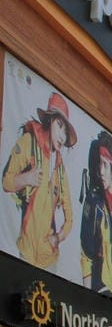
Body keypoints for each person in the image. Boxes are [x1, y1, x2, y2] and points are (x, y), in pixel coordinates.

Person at [2, 92, 75, 268]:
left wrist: (58, 237)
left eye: (65, 131)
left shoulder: (60, 169)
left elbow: (70, 218)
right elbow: (6, 182)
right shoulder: (28, 143)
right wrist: (26, 178)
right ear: (50, 121)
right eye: (60, 126)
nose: (62, 136)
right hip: (25, 254)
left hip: (49, 260)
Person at [78, 130, 112, 296]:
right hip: (99, 288)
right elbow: (86, 255)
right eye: (99, 164)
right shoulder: (94, 202)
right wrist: (87, 297)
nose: (101, 171)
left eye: (105, 165)